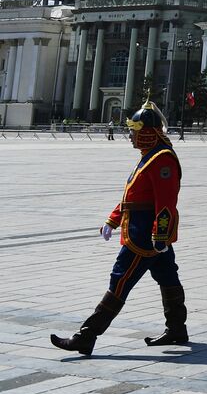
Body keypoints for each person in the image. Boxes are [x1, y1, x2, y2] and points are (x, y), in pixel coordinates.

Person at [51, 101, 187, 356]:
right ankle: (177, 329)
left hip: (145, 236)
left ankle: (86, 335)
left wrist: (160, 235)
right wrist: (113, 219)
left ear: (149, 131)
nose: (131, 136)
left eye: (135, 131)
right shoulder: (149, 157)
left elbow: (166, 201)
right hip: (141, 229)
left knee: (120, 280)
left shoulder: (161, 158)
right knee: (168, 277)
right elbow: (133, 196)